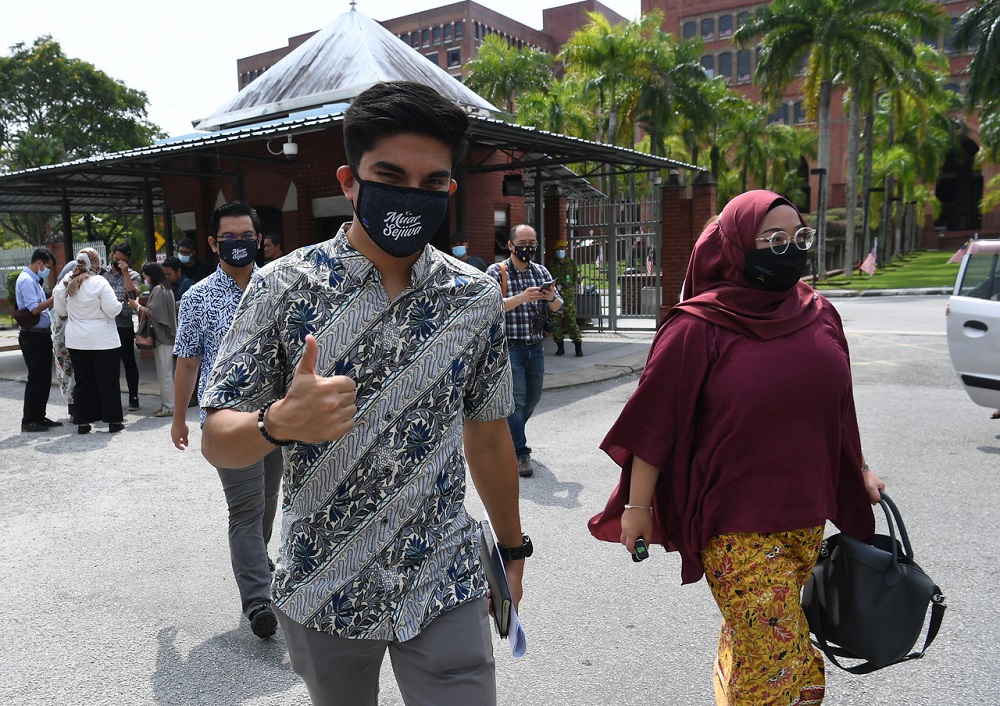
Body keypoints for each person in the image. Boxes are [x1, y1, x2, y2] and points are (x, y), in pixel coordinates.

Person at [199, 81, 528, 706]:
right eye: (389, 174)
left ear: (450, 190)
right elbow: (219, 440)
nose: (412, 194)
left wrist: (512, 547)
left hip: (443, 573)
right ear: (350, 181)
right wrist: (280, 422)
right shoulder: (281, 288)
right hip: (325, 581)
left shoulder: (474, 295)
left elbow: (487, 432)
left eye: (432, 182)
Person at [588, 190, 886, 706]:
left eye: (799, 237)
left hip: (804, 515)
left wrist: (858, 467)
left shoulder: (820, 312)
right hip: (732, 523)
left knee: (758, 638)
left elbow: (838, 409)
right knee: (786, 661)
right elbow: (655, 424)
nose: (789, 249)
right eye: (773, 239)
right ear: (735, 246)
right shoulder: (696, 327)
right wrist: (637, 507)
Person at [171, 201, 283, 640]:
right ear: (215, 243)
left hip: (277, 417)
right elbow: (186, 363)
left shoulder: (279, 286)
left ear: (259, 240)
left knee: (269, 499)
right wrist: (179, 418)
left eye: (247, 237)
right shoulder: (197, 297)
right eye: (229, 238)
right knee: (245, 508)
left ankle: (258, 556)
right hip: (226, 420)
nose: (239, 244)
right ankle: (257, 599)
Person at [485, 224, 563, 478]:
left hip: (535, 346)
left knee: (533, 399)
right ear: (510, 245)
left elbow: (557, 306)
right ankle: (521, 454)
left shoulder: (541, 271)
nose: (528, 247)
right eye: (523, 243)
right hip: (510, 346)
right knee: (517, 400)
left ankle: (510, 437)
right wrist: (522, 297)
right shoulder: (497, 272)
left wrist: (551, 297)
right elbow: (489, 307)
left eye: (533, 242)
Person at [53, 248, 125, 434]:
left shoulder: (66, 281)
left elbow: (60, 311)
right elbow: (112, 310)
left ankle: (83, 421)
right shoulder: (99, 282)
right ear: (95, 262)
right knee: (107, 380)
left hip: (76, 340)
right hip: (104, 340)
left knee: (83, 380)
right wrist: (120, 304)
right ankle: (113, 421)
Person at [15, 247, 61, 432]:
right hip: (32, 334)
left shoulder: (34, 280)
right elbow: (34, 309)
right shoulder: (26, 280)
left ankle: (39, 416)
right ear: (40, 263)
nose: (48, 270)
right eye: (47, 266)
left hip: (40, 334)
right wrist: (54, 298)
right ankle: (28, 420)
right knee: (36, 378)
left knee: (43, 377)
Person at [129, 263, 177, 417]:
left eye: (146, 277)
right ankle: (167, 404)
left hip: (163, 337)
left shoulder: (158, 290)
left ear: (151, 275)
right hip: (167, 336)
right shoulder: (166, 288)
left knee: (165, 373)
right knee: (166, 372)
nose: (145, 280)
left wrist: (136, 306)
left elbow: (151, 313)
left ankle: (169, 406)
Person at [102, 244, 142, 410]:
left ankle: (133, 396)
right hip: (105, 323)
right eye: (115, 258)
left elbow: (133, 295)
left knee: (128, 362)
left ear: (128, 260)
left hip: (123, 323)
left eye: (121, 260)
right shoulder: (103, 274)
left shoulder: (133, 275)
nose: (117, 262)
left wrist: (125, 272)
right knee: (108, 363)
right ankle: (110, 398)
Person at [548, 239, 583, 357]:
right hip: (555, 295)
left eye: (563, 249)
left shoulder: (571, 263)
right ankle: (560, 346)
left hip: (568, 296)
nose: (561, 251)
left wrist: (571, 289)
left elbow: (574, 279)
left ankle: (578, 345)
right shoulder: (551, 265)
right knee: (555, 321)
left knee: (571, 321)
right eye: (559, 249)